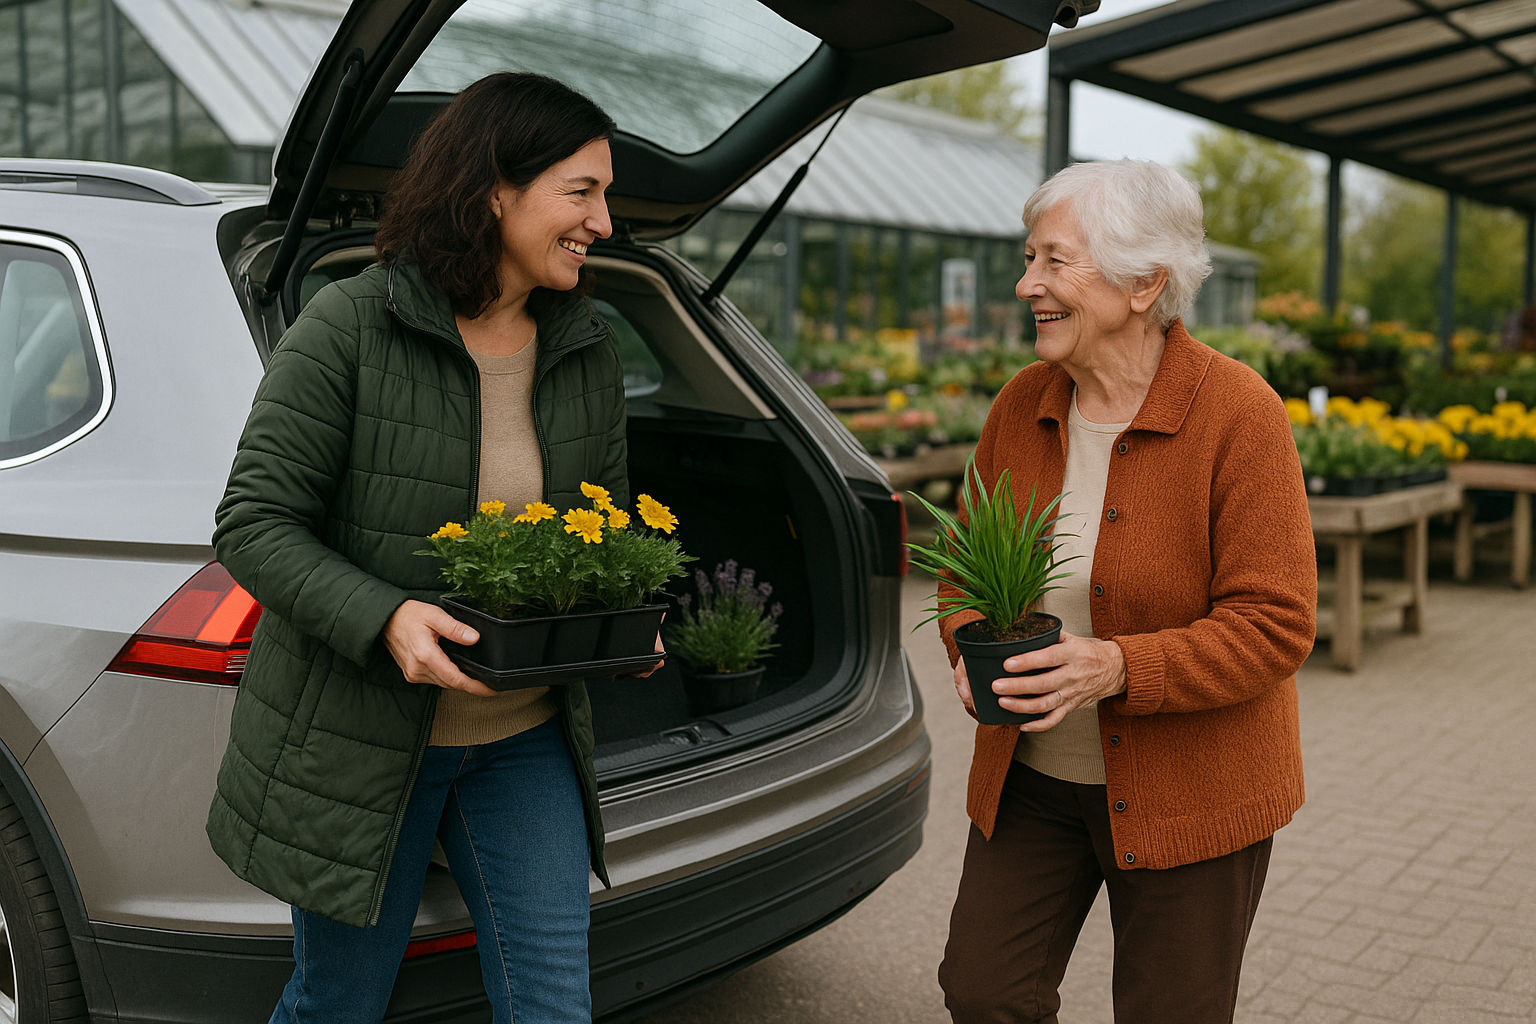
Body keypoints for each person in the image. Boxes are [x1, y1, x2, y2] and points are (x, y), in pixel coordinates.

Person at [207, 73, 635, 1024]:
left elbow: (608, 529)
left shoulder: (583, 345)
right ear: (494, 189)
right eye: (583, 191)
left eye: (606, 196)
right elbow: (253, 522)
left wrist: (616, 623)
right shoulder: (350, 326)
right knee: (339, 1003)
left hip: (524, 739)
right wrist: (388, 616)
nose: (604, 221)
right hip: (361, 743)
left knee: (554, 1009)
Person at [935, 160, 1317, 1024]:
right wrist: (968, 649)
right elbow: (963, 568)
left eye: (1055, 261)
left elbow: (1276, 624)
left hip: (1195, 788)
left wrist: (1113, 668)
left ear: (1146, 282)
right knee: (984, 990)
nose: (1028, 283)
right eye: (1029, 258)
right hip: (1032, 772)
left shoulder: (1238, 413)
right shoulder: (1021, 404)